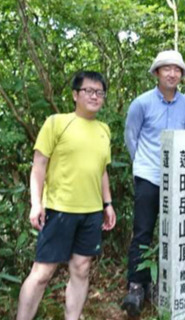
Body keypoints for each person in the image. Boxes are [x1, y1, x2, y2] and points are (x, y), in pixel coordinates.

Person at [16, 71, 116, 320]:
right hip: (59, 209)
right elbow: (38, 165)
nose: (95, 96)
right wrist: (36, 203)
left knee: (81, 269)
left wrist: (108, 203)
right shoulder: (56, 123)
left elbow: (101, 169)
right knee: (42, 273)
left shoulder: (104, 130)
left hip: (91, 212)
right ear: (75, 94)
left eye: (99, 92)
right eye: (89, 91)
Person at [122, 50, 185, 317]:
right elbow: (132, 137)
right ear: (156, 73)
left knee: (173, 231)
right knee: (143, 230)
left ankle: (165, 283)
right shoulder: (141, 103)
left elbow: (184, 137)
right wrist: (142, 164)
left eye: (177, 70)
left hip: (176, 178)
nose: (172, 74)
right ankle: (137, 285)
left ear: (182, 75)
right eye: (167, 69)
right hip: (149, 175)